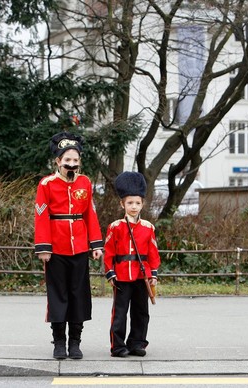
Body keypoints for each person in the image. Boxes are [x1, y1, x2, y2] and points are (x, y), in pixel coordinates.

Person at [34, 131, 104, 360]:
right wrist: (43, 247)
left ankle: (75, 342)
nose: (71, 165)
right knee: (58, 295)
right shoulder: (46, 184)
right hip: (55, 249)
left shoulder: (85, 183)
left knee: (79, 294)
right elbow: (41, 216)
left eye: (75, 161)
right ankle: (59, 342)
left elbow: (90, 214)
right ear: (58, 161)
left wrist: (96, 244)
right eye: (67, 161)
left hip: (81, 248)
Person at [104, 172, 160, 358]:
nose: (133, 206)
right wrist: (110, 273)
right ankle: (118, 346)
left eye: (137, 203)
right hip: (121, 276)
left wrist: (153, 274)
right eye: (129, 203)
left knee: (141, 312)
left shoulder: (148, 227)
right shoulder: (115, 227)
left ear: (142, 204)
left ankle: (137, 343)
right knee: (119, 313)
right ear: (122, 204)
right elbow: (109, 252)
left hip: (141, 276)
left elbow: (153, 253)